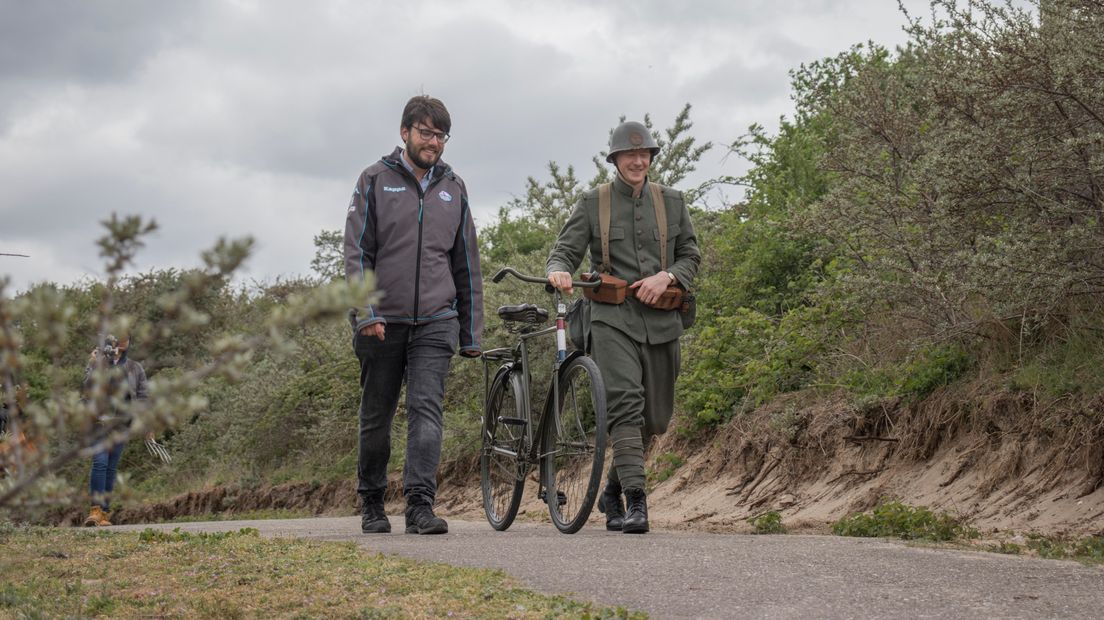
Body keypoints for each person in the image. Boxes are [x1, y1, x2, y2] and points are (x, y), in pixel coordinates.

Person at [547, 121, 701, 534]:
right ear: (614, 159)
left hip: (662, 319)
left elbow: (690, 254)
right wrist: (559, 271)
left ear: (651, 157)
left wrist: (668, 277)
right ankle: (638, 502)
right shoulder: (592, 202)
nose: (637, 160)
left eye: (644, 154)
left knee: (656, 420)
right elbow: (563, 252)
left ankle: (612, 491)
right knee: (626, 405)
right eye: (629, 155)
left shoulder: (672, 202)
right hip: (611, 318)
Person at [344, 95, 483, 535]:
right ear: (404, 132)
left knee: (427, 411)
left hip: (436, 320)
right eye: (426, 132)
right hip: (381, 323)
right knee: (377, 415)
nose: (434, 142)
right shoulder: (373, 180)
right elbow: (356, 254)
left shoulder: (454, 188)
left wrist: (470, 331)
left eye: (441, 135)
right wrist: (366, 313)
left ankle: (420, 506)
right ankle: (371, 503)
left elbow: (467, 264)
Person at [83, 335, 149, 527]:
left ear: (129, 341)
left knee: (111, 467)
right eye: (115, 338)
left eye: (124, 338)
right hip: (99, 421)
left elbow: (144, 398)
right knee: (100, 461)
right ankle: (95, 510)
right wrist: (93, 364)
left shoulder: (135, 368)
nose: (119, 343)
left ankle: (104, 513)